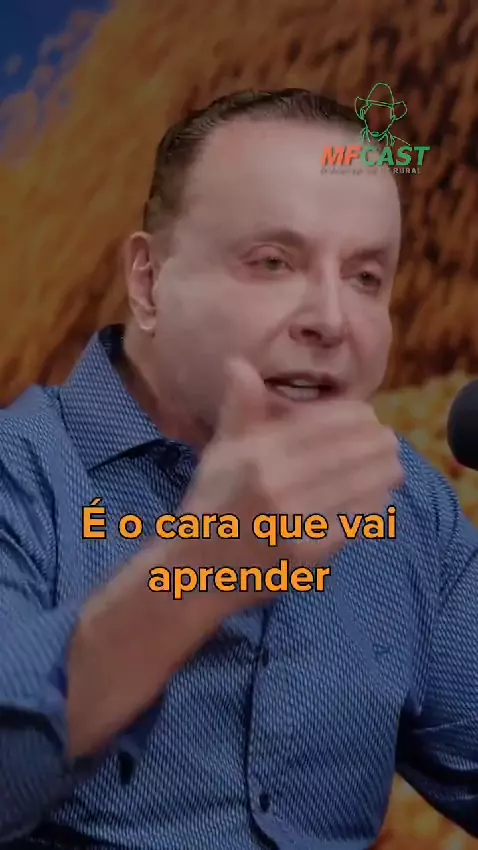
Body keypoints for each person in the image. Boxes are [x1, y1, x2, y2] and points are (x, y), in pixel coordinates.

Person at [0, 88, 477, 850]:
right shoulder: (20, 474)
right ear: (148, 282)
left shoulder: (405, 503)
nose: (332, 320)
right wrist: (200, 571)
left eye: (366, 277)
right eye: (273, 262)